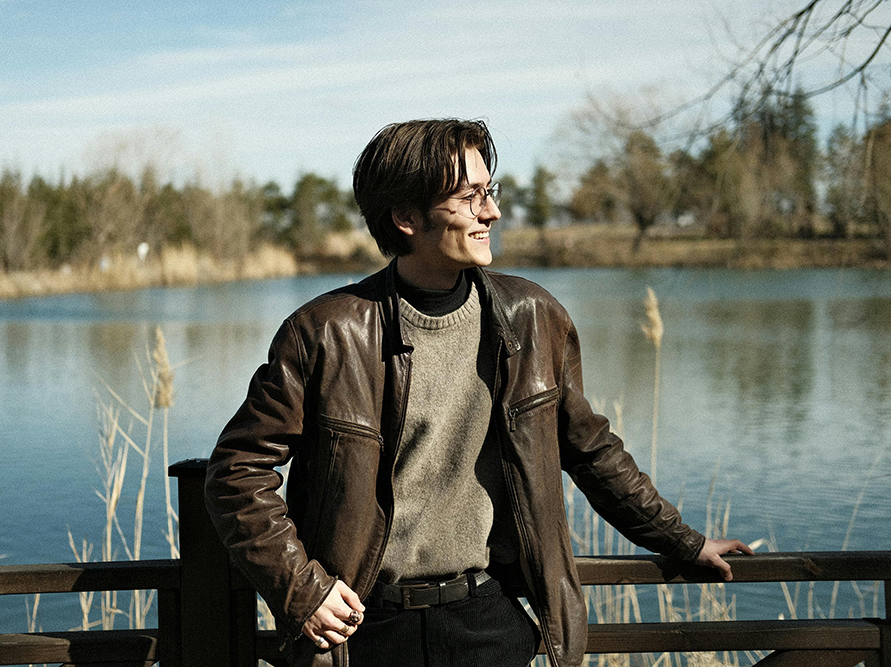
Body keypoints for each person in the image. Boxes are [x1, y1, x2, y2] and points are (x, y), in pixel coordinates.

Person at [204, 118, 752, 667]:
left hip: (488, 622)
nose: (490, 212)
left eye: (489, 192)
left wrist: (682, 541)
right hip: (363, 633)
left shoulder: (532, 319)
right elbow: (236, 472)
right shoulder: (326, 332)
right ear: (405, 218)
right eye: (469, 198)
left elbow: (590, 450)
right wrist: (304, 591)